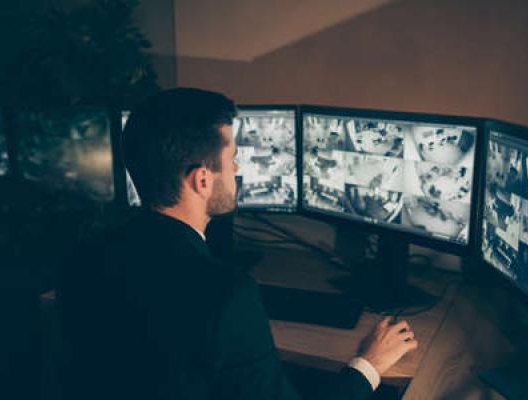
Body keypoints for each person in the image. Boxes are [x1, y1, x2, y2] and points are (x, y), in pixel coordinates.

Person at [59, 88, 417, 400]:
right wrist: (368, 364)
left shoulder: (84, 255)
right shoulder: (227, 295)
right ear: (202, 180)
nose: (238, 167)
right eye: (231, 160)